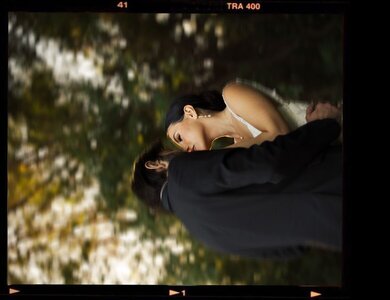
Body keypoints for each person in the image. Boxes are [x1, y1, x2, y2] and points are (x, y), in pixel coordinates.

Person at [131, 103, 342, 259]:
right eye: (171, 149)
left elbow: (290, 249)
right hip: (330, 179)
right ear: (155, 165)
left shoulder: (203, 234)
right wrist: (325, 125)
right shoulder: (181, 173)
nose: (182, 151)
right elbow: (268, 164)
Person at [165, 79, 292, 152]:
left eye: (179, 138)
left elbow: (282, 135)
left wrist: (220, 155)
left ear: (190, 112)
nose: (186, 149)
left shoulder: (232, 94)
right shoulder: (237, 144)